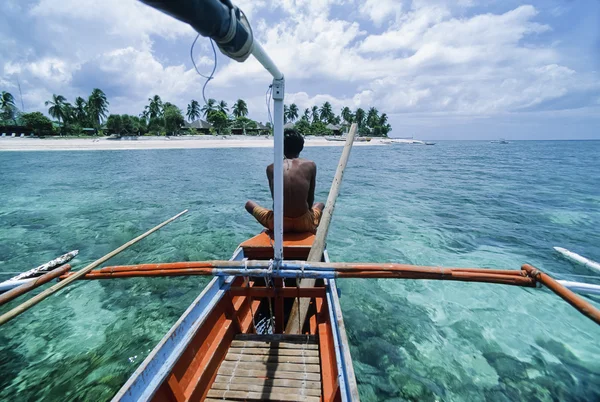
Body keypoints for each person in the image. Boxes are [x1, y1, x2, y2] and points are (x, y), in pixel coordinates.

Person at [245, 129, 324, 233]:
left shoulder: (271, 168)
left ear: (281, 147)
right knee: (320, 205)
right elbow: (310, 199)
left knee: (249, 204)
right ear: (301, 147)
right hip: (304, 224)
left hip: (278, 224)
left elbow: (275, 199)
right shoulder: (310, 165)